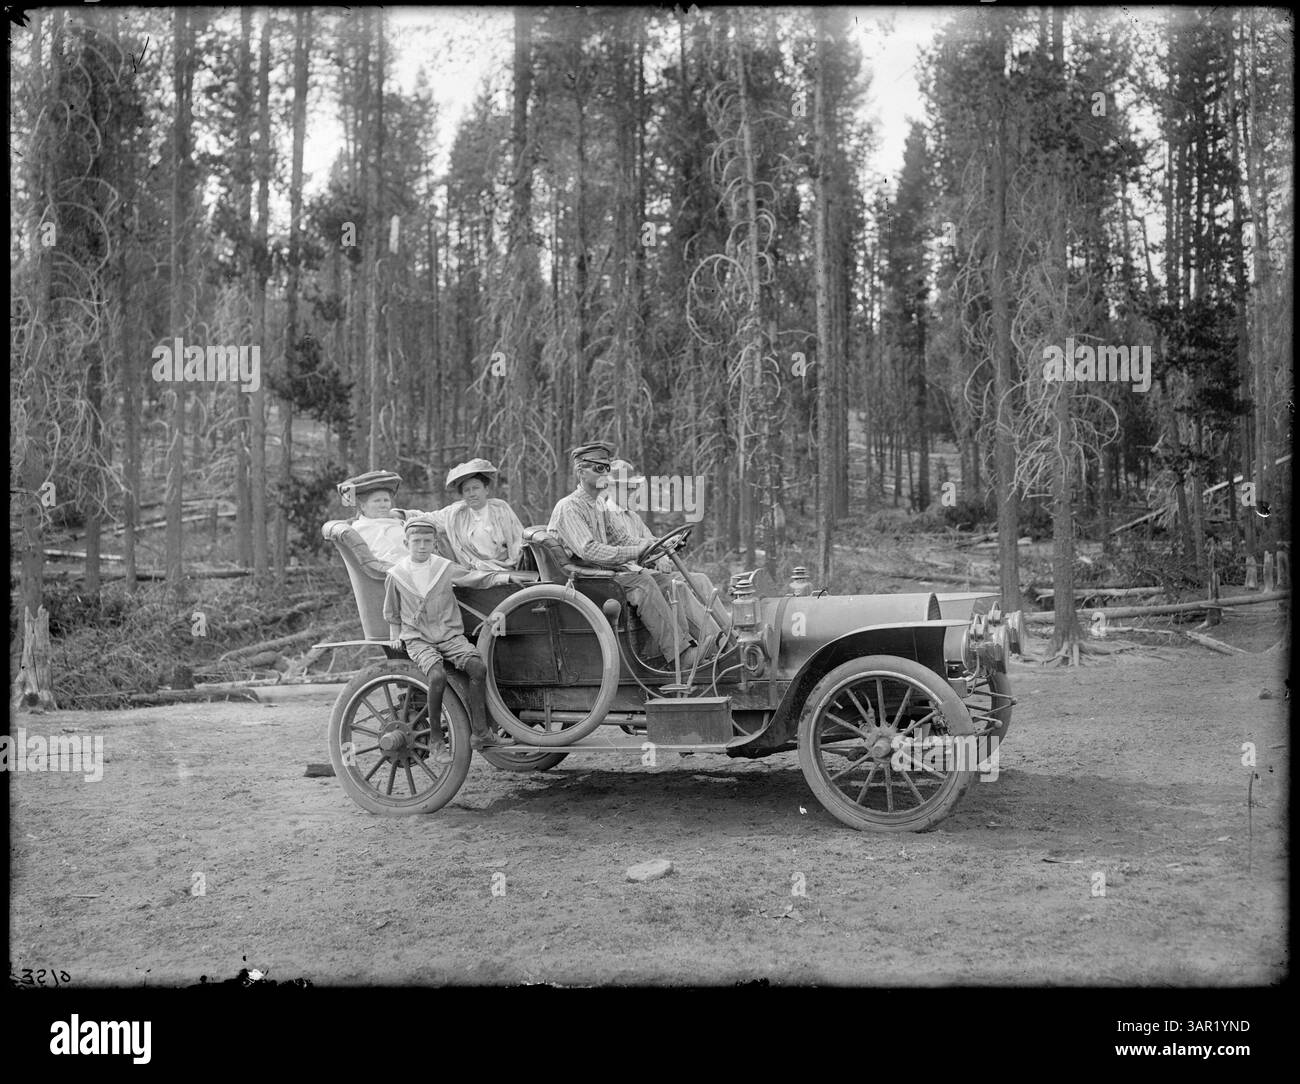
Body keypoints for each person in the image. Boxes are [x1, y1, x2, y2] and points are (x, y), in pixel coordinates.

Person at [548, 441, 706, 671]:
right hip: (585, 583)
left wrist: (656, 545)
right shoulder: (569, 507)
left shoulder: (599, 504)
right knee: (643, 582)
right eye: (598, 468)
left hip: (605, 575)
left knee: (669, 582)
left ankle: (682, 650)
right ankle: (680, 655)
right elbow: (589, 550)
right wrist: (637, 552)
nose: (604, 473)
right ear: (581, 472)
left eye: (607, 468)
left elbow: (622, 539)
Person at [383, 514, 514, 751]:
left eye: (427, 541)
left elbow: (474, 578)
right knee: (437, 676)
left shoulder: (444, 568)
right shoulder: (397, 575)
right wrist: (395, 635)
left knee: (478, 668)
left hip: (449, 635)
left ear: (435, 543)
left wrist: (504, 577)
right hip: (418, 638)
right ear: (406, 544)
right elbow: (392, 611)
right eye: (416, 541)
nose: (422, 546)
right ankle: (435, 737)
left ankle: (481, 732)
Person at [605, 459, 724, 643]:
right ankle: (717, 642)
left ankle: (728, 632)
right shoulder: (607, 516)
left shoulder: (633, 516)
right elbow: (624, 551)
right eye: (626, 488)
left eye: (633, 488)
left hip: (647, 570)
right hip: (631, 576)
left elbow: (650, 541)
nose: (631, 492)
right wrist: (654, 555)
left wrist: (668, 544)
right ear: (610, 488)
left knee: (700, 580)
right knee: (679, 587)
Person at [427, 458, 526, 571]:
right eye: (467, 490)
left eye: (476, 488)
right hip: (475, 572)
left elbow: (518, 540)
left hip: (507, 569)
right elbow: (429, 518)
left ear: (486, 489)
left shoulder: (500, 509)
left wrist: (513, 565)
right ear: (463, 495)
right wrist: (403, 514)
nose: (472, 494)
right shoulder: (456, 514)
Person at [337, 469, 441, 564]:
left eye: (386, 500)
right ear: (363, 506)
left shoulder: (393, 520)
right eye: (377, 501)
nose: (383, 505)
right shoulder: (364, 528)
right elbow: (388, 556)